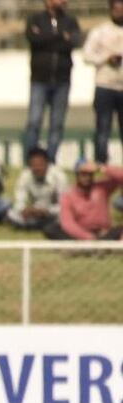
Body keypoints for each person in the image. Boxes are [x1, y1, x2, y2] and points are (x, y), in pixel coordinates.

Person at [24, 0, 80, 162]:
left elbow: (75, 41)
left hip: (62, 80)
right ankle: (31, 160)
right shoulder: (35, 19)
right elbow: (34, 39)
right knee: (34, 122)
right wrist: (60, 36)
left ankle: (50, 160)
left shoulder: (70, 21)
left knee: (56, 124)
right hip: (39, 80)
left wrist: (47, 37)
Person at [83, 0, 123, 164]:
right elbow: (87, 55)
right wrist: (106, 59)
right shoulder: (100, 31)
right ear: (111, 10)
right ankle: (101, 165)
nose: (119, 13)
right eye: (117, 10)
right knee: (102, 130)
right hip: (105, 86)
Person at [44, 161, 123, 240]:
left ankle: (90, 247)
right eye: (83, 174)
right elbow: (67, 222)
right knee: (51, 229)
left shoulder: (101, 188)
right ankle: (83, 247)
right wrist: (87, 236)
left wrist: (101, 168)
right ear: (77, 175)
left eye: (89, 174)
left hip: (103, 233)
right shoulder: (68, 195)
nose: (87, 177)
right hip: (81, 233)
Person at [9, 147, 66, 231]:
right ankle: (36, 225)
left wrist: (47, 211)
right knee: (11, 214)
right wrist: (24, 210)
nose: (37, 169)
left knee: (64, 214)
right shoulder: (25, 176)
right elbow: (19, 200)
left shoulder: (59, 177)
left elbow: (64, 204)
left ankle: (33, 226)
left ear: (47, 164)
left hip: (51, 213)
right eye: (34, 165)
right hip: (33, 213)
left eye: (40, 165)